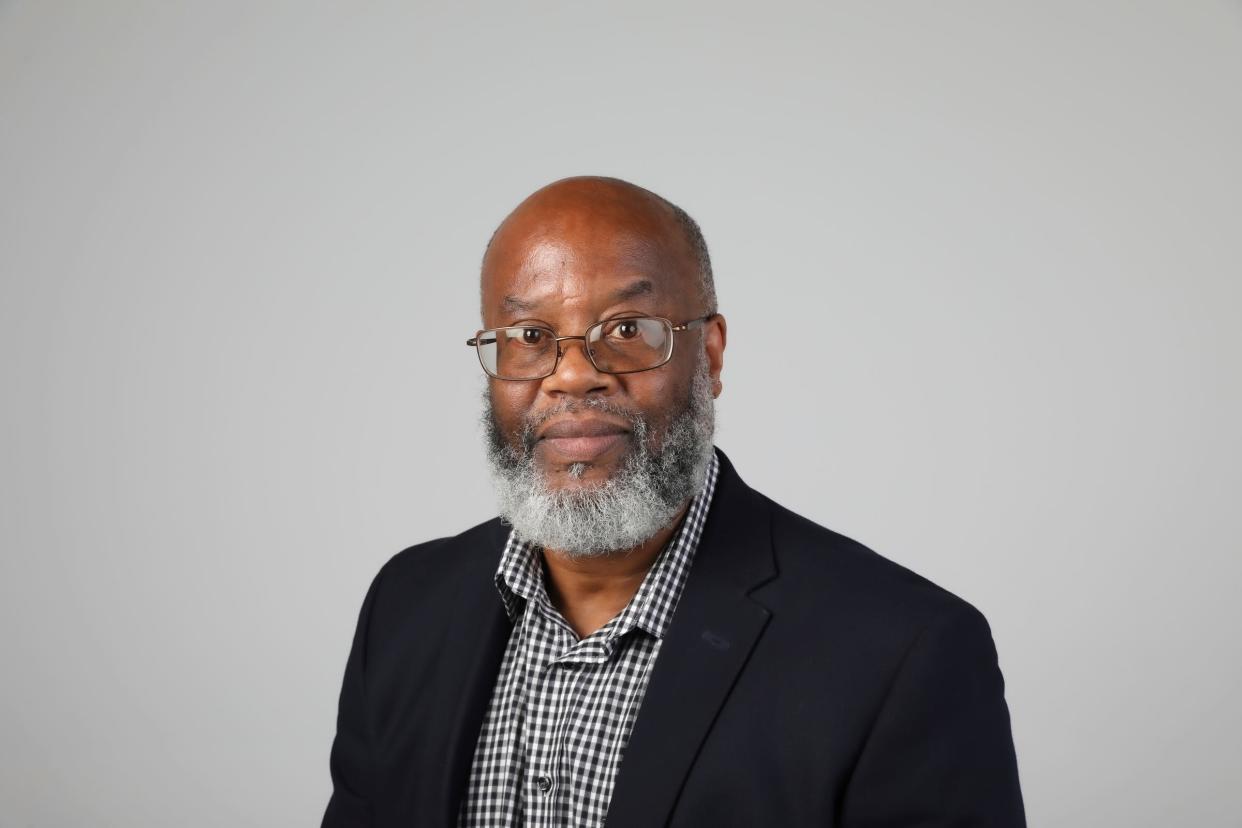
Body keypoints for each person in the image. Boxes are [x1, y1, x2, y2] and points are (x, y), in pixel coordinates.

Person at [321, 176, 1027, 827]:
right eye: (530, 338)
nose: (572, 376)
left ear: (711, 355)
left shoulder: (903, 653)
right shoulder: (406, 606)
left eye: (627, 330)